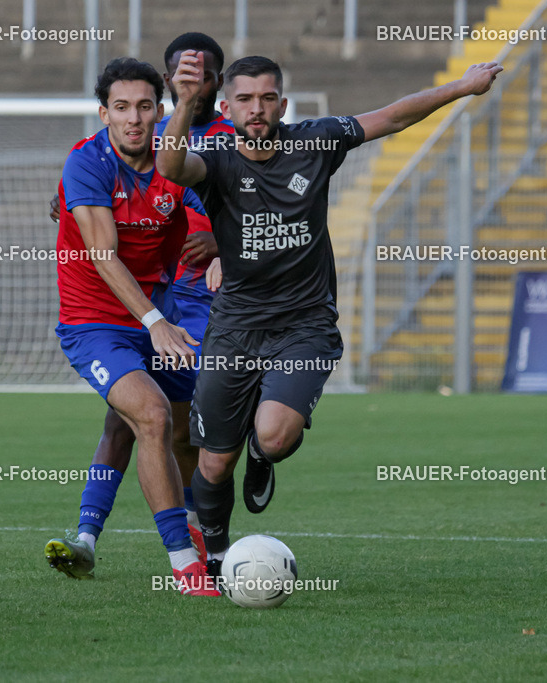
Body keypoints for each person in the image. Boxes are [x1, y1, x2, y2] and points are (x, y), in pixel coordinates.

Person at [157, 51, 502, 574]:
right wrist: (184, 103)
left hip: (306, 324)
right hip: (235, 328)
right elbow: (170, 167)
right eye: (245, 99)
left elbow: (392, 117)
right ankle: (221, 554)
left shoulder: (314, 142)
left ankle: (263, 453)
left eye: (267, 98)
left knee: (274, 436)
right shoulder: (217, 158)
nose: (257, 108)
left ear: (283, 105)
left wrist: (461, 87)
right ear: (227, 108)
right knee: (214, 461)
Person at [44, 32, 231, 573]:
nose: (133, 119)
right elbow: (103, 254)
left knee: (200, 420)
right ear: (104, 113)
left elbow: (234, 210)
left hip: (160, 312)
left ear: (160, 110)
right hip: (96, 323)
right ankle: (184, 562)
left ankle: (198, 533)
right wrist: (154, 322)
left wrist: (226, 247)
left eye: (144, 107)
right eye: (121, 108)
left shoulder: (177, 163)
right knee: (149, 415)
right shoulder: (87, 162)